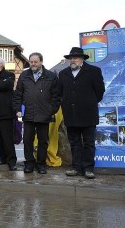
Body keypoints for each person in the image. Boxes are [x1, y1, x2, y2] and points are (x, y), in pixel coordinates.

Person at [58, 47, 105, 179]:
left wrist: (88, 103)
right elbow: (60, 93)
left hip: (88, 114)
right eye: (71, 58)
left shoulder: (94, 71)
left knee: (89, 143)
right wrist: (65, 104)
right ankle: (76, 167)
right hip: (70, 114)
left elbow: (100, 92)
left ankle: (89, 168)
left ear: (82, 59)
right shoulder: (63, 74)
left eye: (76, 57)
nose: (73, 60)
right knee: (74, 143)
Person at [13, 52, 60, 174]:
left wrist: (51, 109)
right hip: (28, 114)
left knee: (43, 141)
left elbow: (56, 96)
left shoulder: (51, 76)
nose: (33, 64)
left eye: (35, 62)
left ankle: (41, 164)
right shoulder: (24, 75)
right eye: (31, 62)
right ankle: (29, 163)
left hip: (44, 115)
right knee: (27, 140)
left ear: (41, 62)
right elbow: (18, 94)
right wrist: (18, 109)